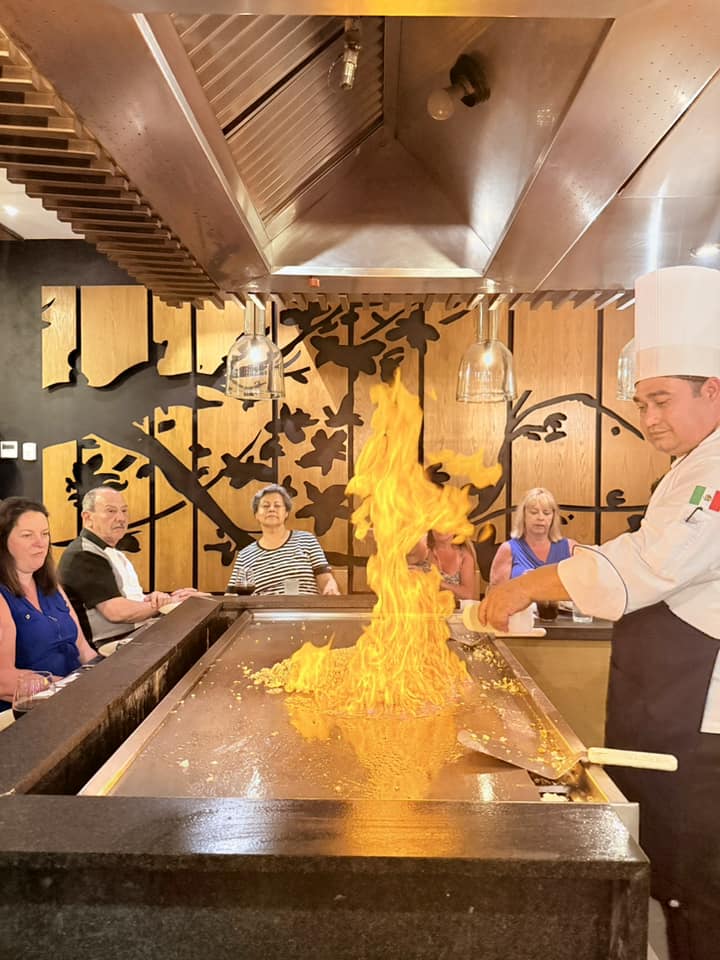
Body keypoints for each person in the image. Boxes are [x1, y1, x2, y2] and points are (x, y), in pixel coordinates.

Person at [470, 265, 720, 960]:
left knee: (697, 891)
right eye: (642, 403)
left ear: (714, 390)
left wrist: (526, 585)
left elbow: (647, 566)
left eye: (663, 400)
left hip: (705, 729)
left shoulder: (716, 476)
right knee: (669, 878)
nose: (650, 420)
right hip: (673, 711)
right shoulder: (690, 468)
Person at [58, 486, 197, 648]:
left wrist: (156, 598)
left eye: (124, 511)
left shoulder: (112, 552)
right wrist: (166, 603)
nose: (121, 518)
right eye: (111, 511)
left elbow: (131, 599)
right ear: (87, 518)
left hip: (133, 634)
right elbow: (117, 612)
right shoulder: (83, 555)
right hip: (106, 647)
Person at [0, 497, 97, 711]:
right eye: (27, 535)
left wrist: (105, 675)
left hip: (73, 698)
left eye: (45, 534)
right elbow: (3, 679)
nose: (40, 542)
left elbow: (83, 648)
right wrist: (65, 688)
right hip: (29, 715)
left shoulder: (51, 586)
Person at [227, 484, 340, 596]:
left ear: (286, 513)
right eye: (266, 506)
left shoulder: (307, 540)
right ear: (256, 514)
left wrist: (330, 586)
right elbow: (231, 598)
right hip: (262, 612)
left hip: (306, 610)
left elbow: (325, 579)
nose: (271, 509)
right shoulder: (245, 555)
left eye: (277, 505)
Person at [488, 487, 577, 585]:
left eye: (546, 513)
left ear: (553, 517)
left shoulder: (571, 548)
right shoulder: (508, 549)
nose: (540, 518)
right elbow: (496, 594)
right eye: (534, 512)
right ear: (523, 515)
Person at [407, 529, 477, 601]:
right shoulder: (421, 549)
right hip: (420, 608)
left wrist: (435, 582)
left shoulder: (464, 556)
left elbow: (468, 595)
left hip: (453, 610)